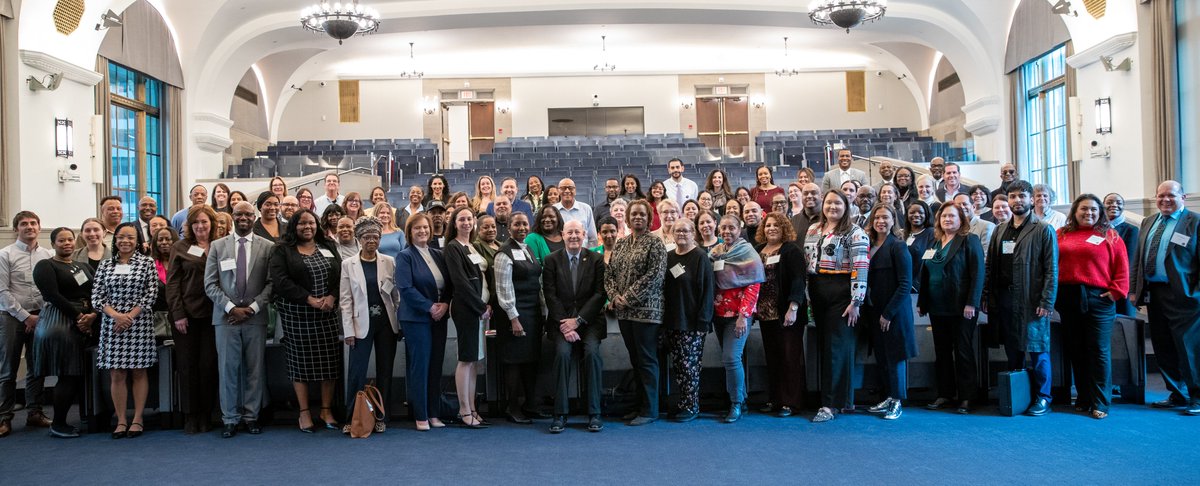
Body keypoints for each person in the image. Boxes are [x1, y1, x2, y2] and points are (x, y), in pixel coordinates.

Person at [983, 180, 1058, 416]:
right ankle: (1018, 395)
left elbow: (1052, 269)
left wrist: (1047, 301)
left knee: (1037, 350)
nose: (1017, 200)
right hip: (1004, 300)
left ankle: (1043, 397)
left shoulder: (1043, 229)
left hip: (1031, 300)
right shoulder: (999, 230)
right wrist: (986, 295)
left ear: (1031, 199)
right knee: (1013, 351)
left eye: (1022, 196)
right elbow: (990, 266)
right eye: (1012, 196)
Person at [203, 202, 274, 438]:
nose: (243, 217)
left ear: (254, 217)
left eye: (247, 214)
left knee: (255, 370)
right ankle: (230, 418)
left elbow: (271, 283)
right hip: (226, 319)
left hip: (256, 317)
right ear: (232, 217)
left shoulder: (268, 247)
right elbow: (210, 284)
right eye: (239, 214)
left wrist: (252, 308)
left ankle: (251, 416)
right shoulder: (217, 246)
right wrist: (232, 308)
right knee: (228, 370)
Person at [268, 209, 342, 432]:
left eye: (311, 223)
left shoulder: (328, 245)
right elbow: (280, 281)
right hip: (297, 314)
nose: (307, 227)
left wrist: (332, 296)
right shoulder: (282, 249)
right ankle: (304, 412)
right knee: (300, 363)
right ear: (294, 226)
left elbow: (341, 275)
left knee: (329, 363)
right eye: (302, 223)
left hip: (326, 313)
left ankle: (326, 410)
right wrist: (308, 299)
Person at [1130, 181, 1200, 415]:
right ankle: (1176, 393)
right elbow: (1138, 259)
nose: (1165, 200)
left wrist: (1195, 294)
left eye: (1171, 195)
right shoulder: (1149, 221)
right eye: (1161, 196)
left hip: (1184, 295)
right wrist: (1134, 289)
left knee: (1188, 348)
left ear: (1183, 197)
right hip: (1154, 293)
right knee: (1163, 346)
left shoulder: (1194, 222)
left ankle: (1197, 396)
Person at [1056, 194, 1129, 419]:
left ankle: (1100, 402)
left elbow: (1122, 266)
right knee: (1075, 349)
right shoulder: (1061, 234)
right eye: (1084, 209)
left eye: (1094, 210)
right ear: (1075, 211)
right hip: (1068, 297)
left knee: (1098, 350)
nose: (1089, 213)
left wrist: (1116, 291)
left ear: (1100, 213)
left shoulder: (1110, 235)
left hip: (1099, 298)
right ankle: (1084, 397)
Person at [804, 190, 869, 423]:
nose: (832, 206)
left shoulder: (855, 233)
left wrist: (856, 302)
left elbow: (860, 268)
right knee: (826, 346)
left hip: (842, 292)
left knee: (837, 348)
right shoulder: (813, 229)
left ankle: (830, 405)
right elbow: (808, 263)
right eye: (829, 202)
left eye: (837, 203)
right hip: (818, 289)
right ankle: (839, 400)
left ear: (847, 205)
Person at [92, 222, 159, 439]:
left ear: (137, 240)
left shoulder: (147, 263)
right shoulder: (105, 265)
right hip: (113, 325)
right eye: (121, 237)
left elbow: (151, 294)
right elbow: (97, 297)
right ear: (115, 239)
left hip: (139, 323)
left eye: (130, 237)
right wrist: (116, 316)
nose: (125, 241)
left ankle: (138, 418)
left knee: (139, 371)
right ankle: (121, 419)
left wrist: (129, 316)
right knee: (117, 373)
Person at [918, 203, 985, 415]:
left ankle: (966, 397)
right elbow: (926, 273)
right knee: (942, 352)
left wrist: (971, 303)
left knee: (963, 352)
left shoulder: (969, 240)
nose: (947, 219)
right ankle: (945, 394)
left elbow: (978, 274)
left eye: (952, 216)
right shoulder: (934, 241)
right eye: (944, 216)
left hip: (961, 307)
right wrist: (923, 302)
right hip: (937, 307)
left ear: (961, 219)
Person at [604, 199, 667, 426]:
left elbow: (655, 277)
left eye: (642, 214)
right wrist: (613, 296)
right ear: (628, 219)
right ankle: (639, 405)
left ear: (649, 219)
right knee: (636, 360)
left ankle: (650, 410)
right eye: (634, 214)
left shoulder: (655, 243)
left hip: (647, 313)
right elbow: (609, 274)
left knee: (647, 360)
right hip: (625, 314)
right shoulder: (620, 244)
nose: (638, 217)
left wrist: (627, 298)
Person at [31, 227, 96, 438]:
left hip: (86, 320)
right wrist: (79, 317)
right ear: (53, 244)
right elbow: (52, 295)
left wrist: (92, 315)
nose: (67, 243)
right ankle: (58, 423)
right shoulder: (46, 265)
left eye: (70, 239)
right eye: (61, 240)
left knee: (77, 374)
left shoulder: (83, 266)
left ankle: (86, 416)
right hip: (60, 322)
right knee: (67, 374)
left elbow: (97, 291)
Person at [544, 220, 608, 432]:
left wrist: (578, 321)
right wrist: (566, 325)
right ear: (563, 234)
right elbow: (550, 295)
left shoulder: (597, 260)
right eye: (569, 232)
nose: (573, 236)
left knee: (592, 354)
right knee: (562, 355)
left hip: (589, 322)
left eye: (577, 233)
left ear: (584, 235)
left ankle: (594, 412)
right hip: (561, 323)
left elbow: (600, 294)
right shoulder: (551, 260)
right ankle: (560, 413)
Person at [338, 217, 400, 433]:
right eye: (366, 237)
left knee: (385, 371)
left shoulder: (389, 262)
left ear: (380, 239)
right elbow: (345, 300)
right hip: (360, 325)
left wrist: (397, 319)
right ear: (359, 239)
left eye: (375, 237)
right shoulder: (348, 264)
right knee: (356, 372)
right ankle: (351, 418)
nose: (371, 241)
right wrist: (348, 331)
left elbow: (395, 295)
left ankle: (382, 417)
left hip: (386, 324)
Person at [395, 213, 450, 431]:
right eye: (417, 228)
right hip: (416, 318)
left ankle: (434, 413)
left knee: (436, 365)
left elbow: (449, 285)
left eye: (425, 227)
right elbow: (405, 288)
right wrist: (429, 307)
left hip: (439, 316)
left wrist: (444, 304)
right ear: (409, 231)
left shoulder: (438, 254)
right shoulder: (404, 256)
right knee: (420, 366)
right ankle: (421, 414)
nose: (422, 231)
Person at [0, 211, 54, 435]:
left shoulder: (48, 255)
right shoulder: (5, 255)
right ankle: (4, 417)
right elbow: (2, 291)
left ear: (39, 228)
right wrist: (26, 316)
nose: (29, 227)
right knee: (8, 368)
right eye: (24, 224)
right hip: (11, 316)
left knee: (37, 366)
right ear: (16, 229)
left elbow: (52, 288)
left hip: (41, 316)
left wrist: (39, 316)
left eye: (33, 223)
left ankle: (35, 413)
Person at [166, 205, 219, 434]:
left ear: (212, 224)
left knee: (208, 366)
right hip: (185, 317)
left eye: (204, 222)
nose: (200, 226)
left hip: (214, 316)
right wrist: (178, 314)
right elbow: (173, 283)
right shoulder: (180, 247)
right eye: (195, 222)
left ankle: (207, 414)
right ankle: (190, 415)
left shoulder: (220, 245)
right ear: (189, 225)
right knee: (187, 367)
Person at [862, 205, 916, 420]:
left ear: (894, 220)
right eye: (877, 217)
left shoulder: (898, 246)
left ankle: (897, 401)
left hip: (894, 313)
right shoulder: (869, 245)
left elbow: (905, 284)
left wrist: (888, 313)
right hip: (875, 311)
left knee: (895, 357)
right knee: (883, 357)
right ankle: (888, 396)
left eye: (885, 217)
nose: (881, 221)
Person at [711, 214, 765, 423]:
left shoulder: (747, 252)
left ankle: (735, 403)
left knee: (731, 358)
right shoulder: (716, 252)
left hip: (738, 316)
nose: (727, 231)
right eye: (723, 228)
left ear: (739, 228)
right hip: (719, 315)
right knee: (731, 360)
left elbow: (753, 285)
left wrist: (744, 316)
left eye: (731, 227)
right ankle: (741, 398)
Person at [493, 212, 545, 424]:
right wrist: (514, 318)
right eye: (517, 224)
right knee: (514, 361)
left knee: (530, 360)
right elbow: (503, 289)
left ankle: (530, 405)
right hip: (514, 314)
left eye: (525, 224)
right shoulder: (504, 253)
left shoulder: (528, 248)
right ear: (510, 227)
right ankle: (512, 407)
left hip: (532, 312)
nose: (522, 227)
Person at [754, 211, 807, 418]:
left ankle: (791, 402)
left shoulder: (791, 250)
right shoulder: (758, 250)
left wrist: (793, 308)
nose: (771, 228)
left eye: (776, 225)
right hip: (766, 314)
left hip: (786, 313)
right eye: (768, 225)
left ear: (784, 227)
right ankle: (775, 399)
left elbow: (798, 281)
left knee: (789, 358)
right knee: (773, 358)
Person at [660, 219, 714, 423]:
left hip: (692, 322)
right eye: (677, 230)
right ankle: (683, 403)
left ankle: (692, 406)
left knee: (690, 366)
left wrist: (703, 322)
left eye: (685, 230)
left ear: (693, 233)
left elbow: (708, 291)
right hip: (672, 321)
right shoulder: (669, 256)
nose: (681, 233)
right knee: (680, 365)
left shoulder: (700, 257)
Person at [443, 207, 491, 428]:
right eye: (461, 219)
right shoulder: (453, 247)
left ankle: (472, 407)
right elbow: (460, 282)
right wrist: (480, 306)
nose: (466, 222)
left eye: (469, 219)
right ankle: (463, 410)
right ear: (454, 222)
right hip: (467, 308)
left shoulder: (471, 246)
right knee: (465, 359)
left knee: (473, 361)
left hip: (478, 309)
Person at [1104, 192, 1139, 317]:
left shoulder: (1131, 230)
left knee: (1124, 323)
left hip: (1122, 284)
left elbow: (1130, 261)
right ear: (1103, 205)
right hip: (1102, 283)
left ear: (1123, 206)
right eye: (1109, 202)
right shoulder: (1098, 229)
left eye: (1118, 203)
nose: (1114, 205)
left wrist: (1119, 286)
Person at [554, 178, 598, 247]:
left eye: (570, 188)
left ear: (575, 191)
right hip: (560, 255)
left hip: (583, 254)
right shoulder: (553, 210)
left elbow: (592, 238)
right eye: (563, 188)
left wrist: (589, 255)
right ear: (558, 191)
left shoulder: (586, 209)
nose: (567, 191)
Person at [905, 201, 936, 288]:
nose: (916, 215)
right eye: (912, 212)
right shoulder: (902, 234)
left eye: (920, 212)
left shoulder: (933, 234)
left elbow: (929, 259)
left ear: (927, 214)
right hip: (903, 284)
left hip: (920, 286)